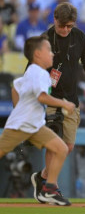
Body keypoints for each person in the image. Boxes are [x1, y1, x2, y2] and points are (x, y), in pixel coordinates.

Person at [30, 2, 85, 203]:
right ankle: (51, 188)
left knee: (68, 146)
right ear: (55, 20)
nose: (65, 30)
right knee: (54, 144)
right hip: (50, 100)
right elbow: (31, 70)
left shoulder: (80, 37)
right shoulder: (45, 40)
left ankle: (42, 177)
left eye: (69, 26)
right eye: (62, 25)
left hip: (71, 101)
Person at [0, 35, 75, 206]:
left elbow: (15, 86)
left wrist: (18, 108)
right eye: (48, 50)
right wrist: (64, 103)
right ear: (38, 54)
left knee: (61, 149)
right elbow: (42, 97)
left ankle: (49, 189)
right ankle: (49, 189)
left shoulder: (31, 72)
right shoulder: (39, 72)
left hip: (34, 125)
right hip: (21, 125)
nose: (52, 54)